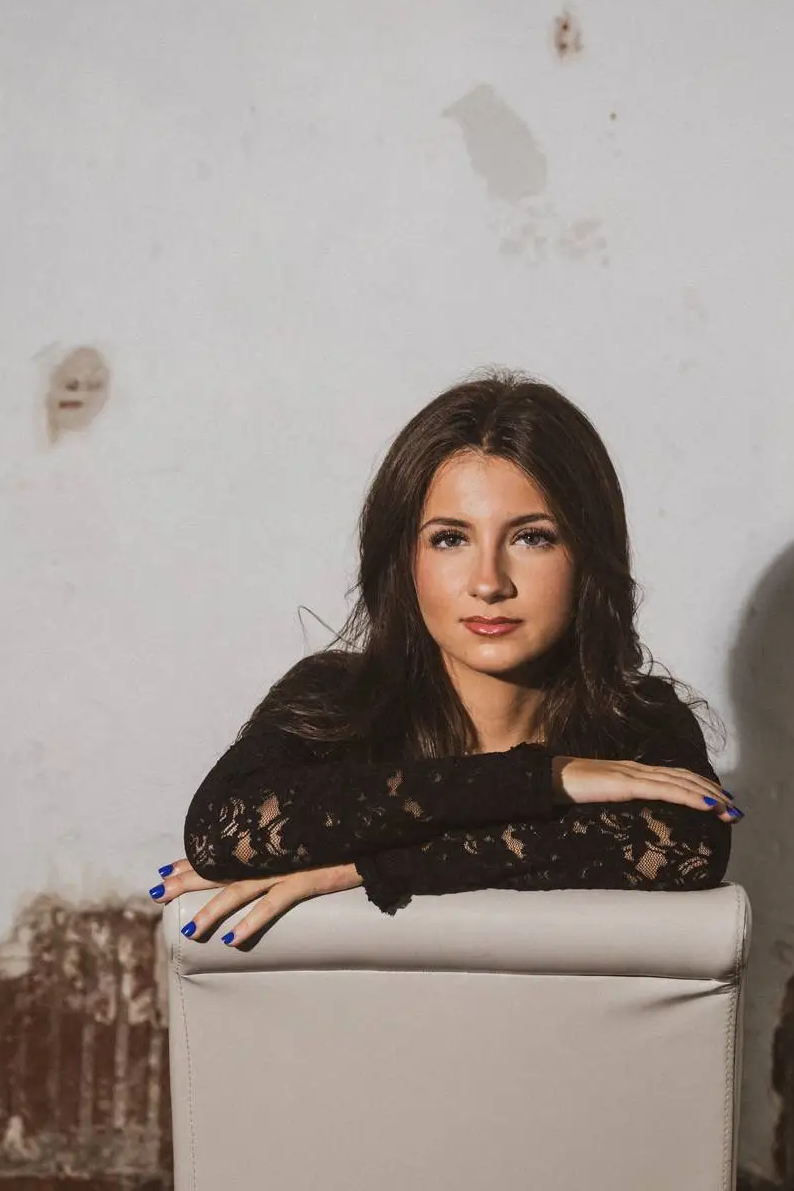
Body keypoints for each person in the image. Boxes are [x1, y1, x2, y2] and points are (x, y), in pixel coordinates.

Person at [151, 369, 744, 947]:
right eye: (450, 538)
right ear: (405, 559)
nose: (489, 583)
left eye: (532, 537)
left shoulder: (638, 719)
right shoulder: (333, 698)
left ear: (589, 556)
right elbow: (219, 833)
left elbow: (687, 846)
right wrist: (546, 779)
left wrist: (371, 867)